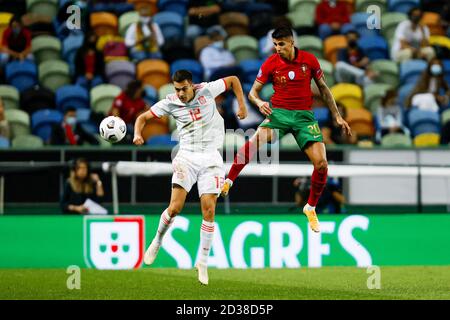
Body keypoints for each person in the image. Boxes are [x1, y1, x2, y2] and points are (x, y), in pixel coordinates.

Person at [220, 27, 352, 233]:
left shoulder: (309, 60)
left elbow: (324, 89)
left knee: (322, 164)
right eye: (275, 44)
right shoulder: (271, 63)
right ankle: (229, 180)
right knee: (254, 142)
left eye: (281, 44)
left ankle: (310, 207)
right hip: (279, 114)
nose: (277, 48)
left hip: (304, 116)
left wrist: (336, 115)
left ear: (292, 42)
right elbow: (252, 92)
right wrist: (259, 101)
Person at [133, 70, 247, 285]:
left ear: (192, 85)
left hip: (211, 157)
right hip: (186, 156)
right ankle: (157, 240)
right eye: (177, 89)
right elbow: (143, 118)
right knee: (175, 207)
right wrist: (138, 134)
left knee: (209, 209)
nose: (181, 93)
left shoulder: (206, 90)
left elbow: (233, 80)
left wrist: (242, 105)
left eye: (184, 88)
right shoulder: (170, 102)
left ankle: (202, 262)